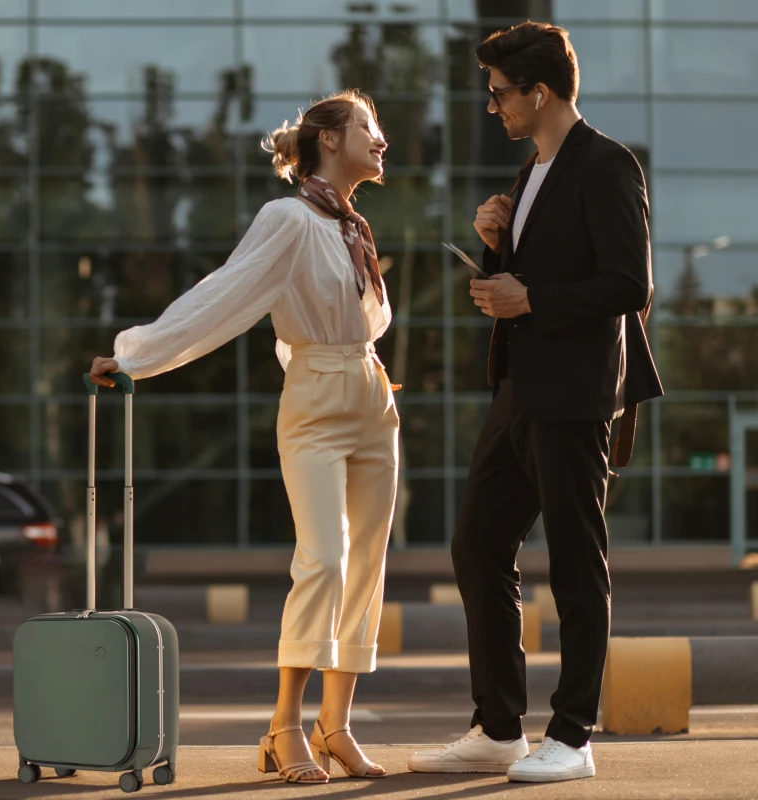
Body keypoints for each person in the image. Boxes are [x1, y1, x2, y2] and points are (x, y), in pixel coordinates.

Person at [88, 90, 399, 785]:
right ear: (327, 138)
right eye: (368, 129)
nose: (383, 141)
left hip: (373, 396)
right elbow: (224, 293)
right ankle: (284, 725)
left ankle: (336, 725)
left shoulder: (355, 226)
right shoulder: (288, 218)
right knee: (323, 558)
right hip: (318, 401)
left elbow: (364, 322)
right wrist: (137, 355)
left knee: (367, 566)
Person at [407, 21, 663, 784]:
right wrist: (495, 241)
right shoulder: (534, 172)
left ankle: (574, 735)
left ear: (539, 91)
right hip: (519, 391)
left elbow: (630, 286)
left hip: (578, 396)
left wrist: (528, 297)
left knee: (578, 566)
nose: (493, 107)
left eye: (499, 93)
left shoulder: (607, 164)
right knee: (478, 546)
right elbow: (532, 279)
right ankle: (497, 727)